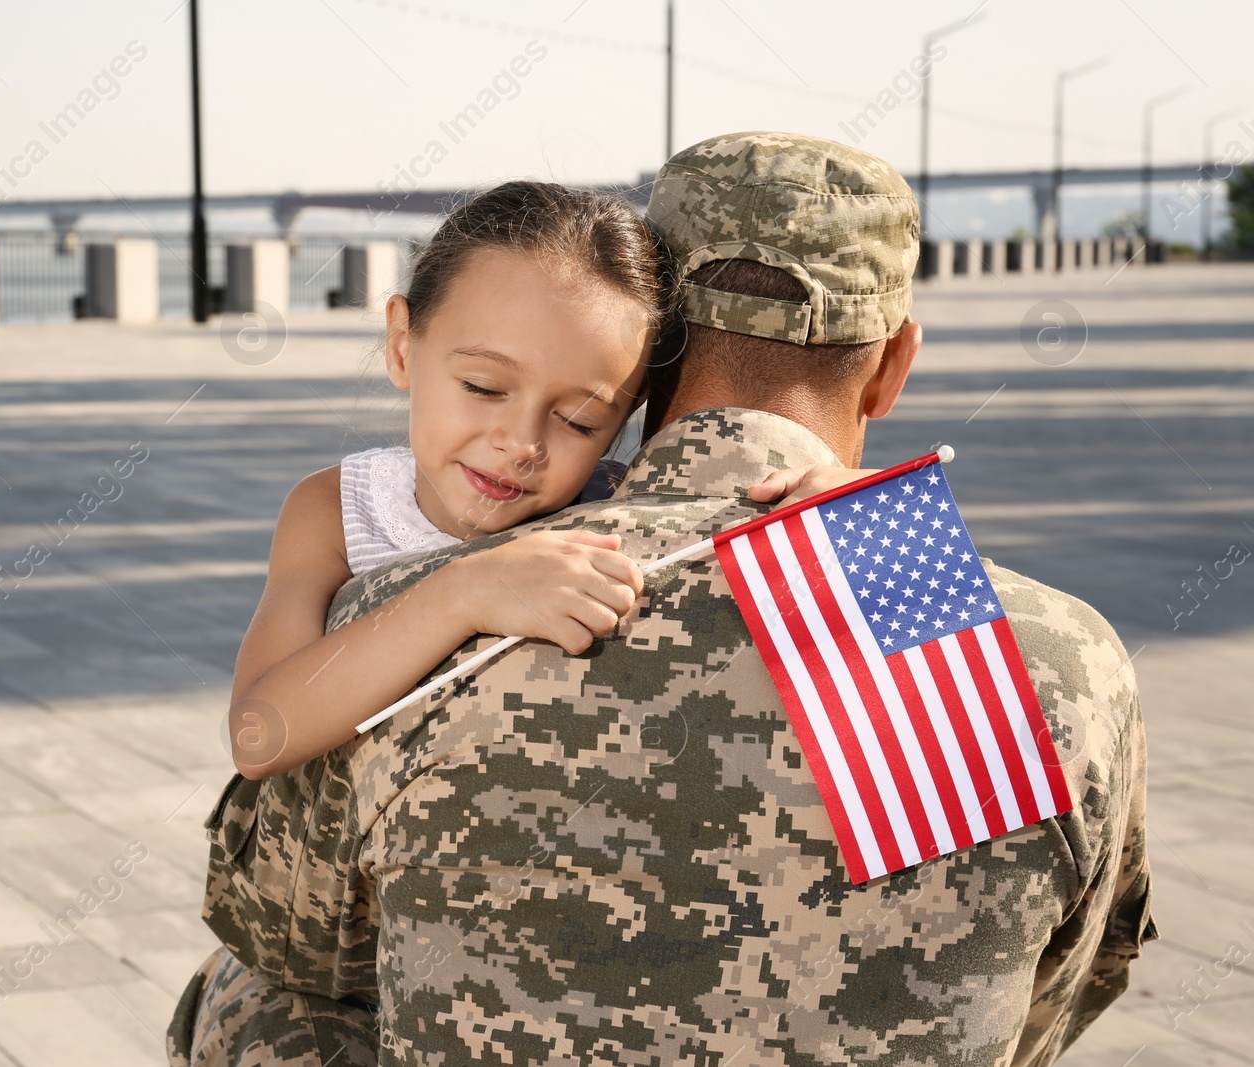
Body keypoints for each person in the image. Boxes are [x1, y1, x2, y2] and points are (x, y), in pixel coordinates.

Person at [171, 132, 1154, 1067]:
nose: (518, 442)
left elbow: (284, 928)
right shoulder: (1008, 635)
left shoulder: (411, 613)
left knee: (246, 990)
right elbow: (1067, 980)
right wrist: (894, 558)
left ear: (646, 366)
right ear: (892, 365)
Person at [226, 180, 842, 782]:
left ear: (624, 419)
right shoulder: (339, 510)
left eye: (578, 420)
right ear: (402, 344)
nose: (521, 445)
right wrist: (464, 591)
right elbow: (257, 735)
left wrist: (847, 511)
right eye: (483, 388)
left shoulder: (623, 508)